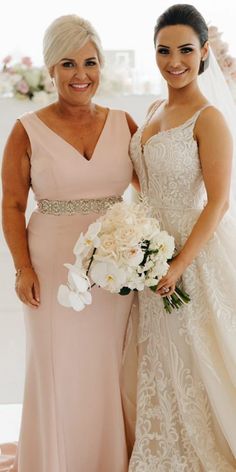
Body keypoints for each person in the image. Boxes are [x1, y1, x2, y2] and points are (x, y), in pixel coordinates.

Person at [1, 14, 137, 472]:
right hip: (51, 268)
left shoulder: (126, 124)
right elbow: (12, 205)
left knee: (107, 371)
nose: (81, 74)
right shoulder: (26, 129)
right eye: (68, 63)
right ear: (51, 69)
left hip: (116, 271)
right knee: (56, 368)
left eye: (90, 62)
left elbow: (154, 192)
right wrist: (22, 268)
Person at [128, 4, 236, 470]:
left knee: (198, 357)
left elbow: (218, 202)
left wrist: (178, 265)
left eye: (186, 50)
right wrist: (132, 235)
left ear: (204, 52)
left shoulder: (209, 118)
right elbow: (145, 179)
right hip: (150, 252)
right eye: (164, 50)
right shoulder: (155, 108)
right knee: (161, 357)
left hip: (190, 257)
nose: (175, 61)